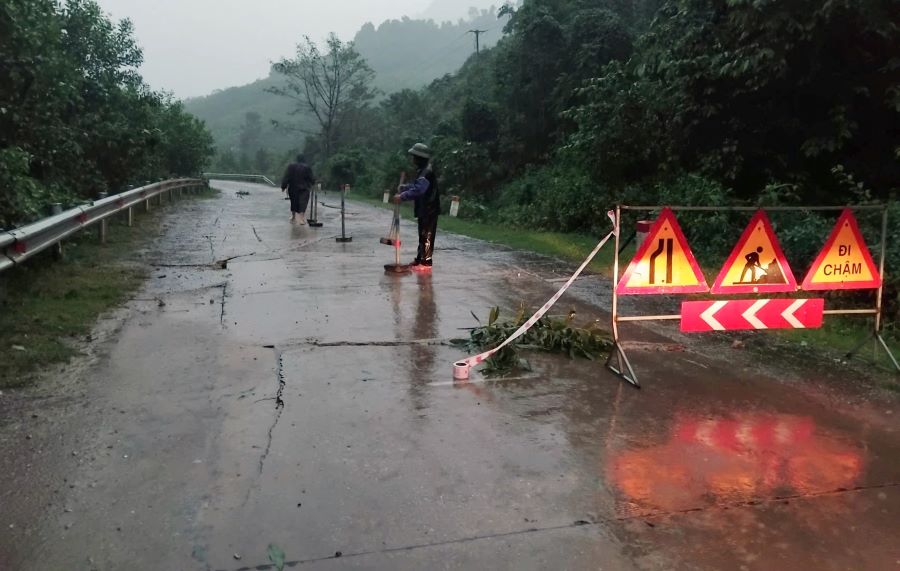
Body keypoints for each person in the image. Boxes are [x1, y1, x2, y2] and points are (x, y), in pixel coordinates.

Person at [394, 143, 439, 269]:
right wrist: (404, 188)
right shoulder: (422, 171)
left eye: (414, 157)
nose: (412, 159)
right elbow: (415, 185)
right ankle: (420, 259)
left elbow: (419, 190)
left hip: (429, 209)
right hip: (423, 208)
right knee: (422, 235)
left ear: (420, 158)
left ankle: (426, 262)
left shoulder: (426, 172)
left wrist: (402, 196)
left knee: (427, 235)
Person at [281, 154, 315, 224]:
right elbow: (311, 178)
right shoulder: (307, 167)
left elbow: (287, 177)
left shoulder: (291, 166)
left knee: (293, 202)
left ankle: (293, 217)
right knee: (303, 202)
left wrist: (283, 186)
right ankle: (301, 218)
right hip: (304, 188)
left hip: (293, 188)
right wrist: (313, 183)